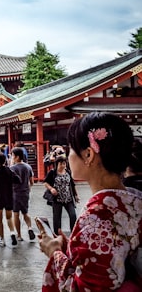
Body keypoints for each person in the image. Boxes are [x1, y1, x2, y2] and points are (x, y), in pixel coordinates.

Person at [39, 112, 142, 291]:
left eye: (71, 149)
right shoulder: (133, 200)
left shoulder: (98, 216)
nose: (68, 156)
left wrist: (54, 253)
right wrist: (71, 248)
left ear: (88, 154)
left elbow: (84, 287)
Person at [0, 152, 21, 247]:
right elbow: (18, 180)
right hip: (9, 197)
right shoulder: (9, 171)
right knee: (9, 217)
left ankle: (2, 239)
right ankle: (12, 233)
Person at [43, 155, 79, 235]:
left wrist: (76, 195)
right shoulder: (52, 172)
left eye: (64, 163)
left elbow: (72, 184)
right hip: (57, 198)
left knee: (73, 215)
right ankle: (57, 235)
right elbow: (45, 183)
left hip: (68, 198)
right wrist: (51, 189)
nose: (63, 165)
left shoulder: (68, 172)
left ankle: (73, 233)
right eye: (61, 164)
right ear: (57, 164)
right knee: (57, 218)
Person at [10, 147, 36, 242]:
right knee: (25, 213)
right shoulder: (28, 167)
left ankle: (19, 235)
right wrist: (28, 189)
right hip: (25, 193)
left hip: (15, 193)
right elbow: (32, 182)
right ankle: (30, 228)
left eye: (13, 155)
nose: (12, 157)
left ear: (17, 157)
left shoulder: (12, 168)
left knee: (16, 214)